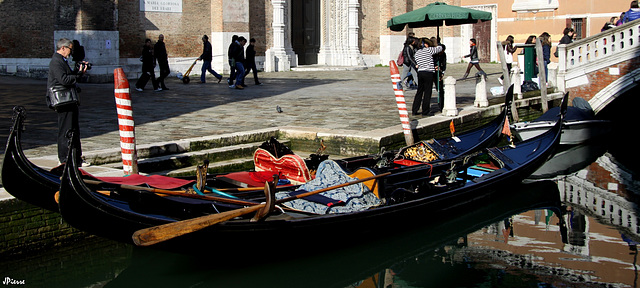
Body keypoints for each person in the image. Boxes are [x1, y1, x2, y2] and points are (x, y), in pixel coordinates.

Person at [47, 38, 88, 164]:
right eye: (70, 49)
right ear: (63, 48)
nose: (71, 52)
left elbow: (69, 77)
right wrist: (78, 74)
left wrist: (78, 71)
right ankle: (64, 158)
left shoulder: (62, 61)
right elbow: (64, 80)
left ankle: (76, 158)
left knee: (74, 129)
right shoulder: (56, 61)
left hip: (70, 100)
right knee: (65, 130)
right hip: (63, 101)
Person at [412, 38, 443, 116]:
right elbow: (440, 48)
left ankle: (414, 109)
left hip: (420, 72)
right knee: (427, 92)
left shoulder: (417, 53)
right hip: (428, 72)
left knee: (419, 91)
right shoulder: (429, 50)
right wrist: (438, 43)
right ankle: (425, 111)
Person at [431, 37, 447, 110]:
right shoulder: (433, 52)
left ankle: (441, 104)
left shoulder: (443, 55)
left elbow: (444, 63)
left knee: (440, 89)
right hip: (432, 71)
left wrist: (442, 71)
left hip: (438, 72)